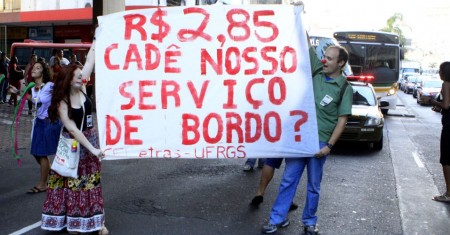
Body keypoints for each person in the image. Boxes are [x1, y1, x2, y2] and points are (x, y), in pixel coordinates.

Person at [261, 44, 352, 235]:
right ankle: (277, 219)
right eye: (324, 56)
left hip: (320, 143)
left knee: (313, 186)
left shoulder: (344, 88)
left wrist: (329, 146)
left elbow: (342, 121)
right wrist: (299, 15)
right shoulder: (316, 73)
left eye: (329, 58)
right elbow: (304, 40)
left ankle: (309, 222)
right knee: (288, 180)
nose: (324, 61)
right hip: (300, 139)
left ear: (341, 63)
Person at [42, 40, 108, 234]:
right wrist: (93, 149)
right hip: (73, 144)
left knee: (91, 183)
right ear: (69, 79)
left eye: (82, 76)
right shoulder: (63, 100)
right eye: (78, 76)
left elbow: (89, 62)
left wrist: (97, 38)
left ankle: (97, 223)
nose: (82, 78)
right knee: (71, 183)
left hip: (89, 142)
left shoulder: (83, 88)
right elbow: (72, 129)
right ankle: (74, 222)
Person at [26, 60, 62, 194]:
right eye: (33, 67)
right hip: (38, 123)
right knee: (36, 152)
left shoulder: (49, 86)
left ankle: (43, 184)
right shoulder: (34, 88)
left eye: (38, 68)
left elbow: (60, 93)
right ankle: (51, 175)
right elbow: (36, 101)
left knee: (41, 153)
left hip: (48, 123)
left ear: (43, 72)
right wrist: (18, 92)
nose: (34, 69)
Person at [422, 61, 450, 203]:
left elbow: (446, 105)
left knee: (446, 159)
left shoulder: (446, 84)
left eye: (440, 70)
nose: (438, 73)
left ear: (444, 72)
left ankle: (448, 193)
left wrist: (432, 101)